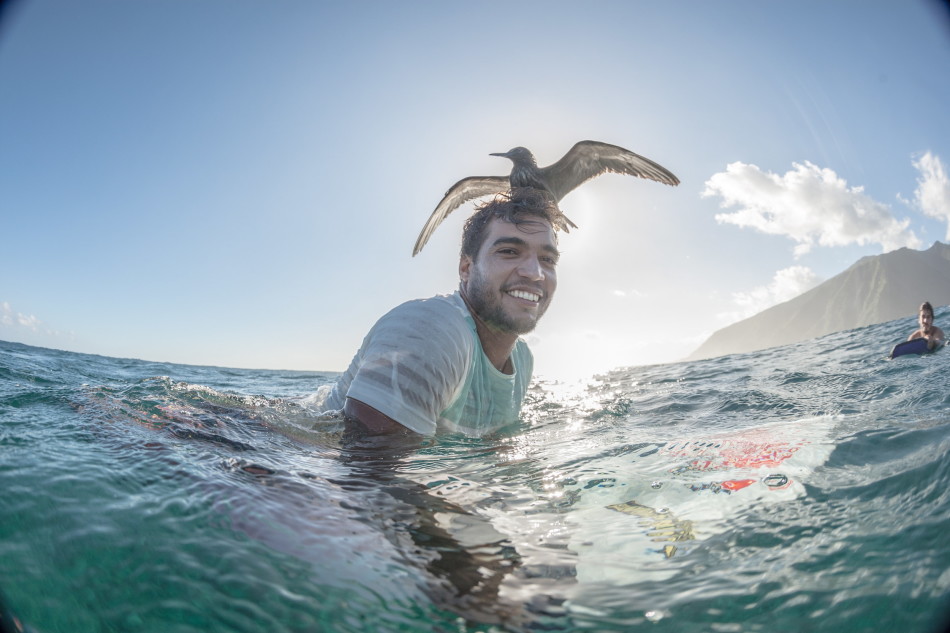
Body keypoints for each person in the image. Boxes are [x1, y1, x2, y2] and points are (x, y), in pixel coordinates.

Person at [324, 187, 562, 438]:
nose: (535, 272)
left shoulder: (522, 359)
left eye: (547, 259)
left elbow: (494, 453)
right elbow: (362, 471)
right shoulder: (428, 330)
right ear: (466, 268)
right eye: (509, 252)